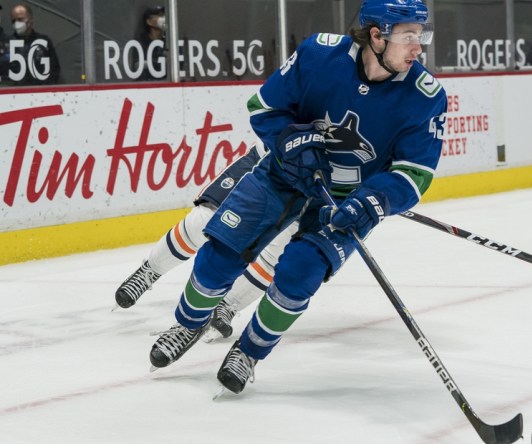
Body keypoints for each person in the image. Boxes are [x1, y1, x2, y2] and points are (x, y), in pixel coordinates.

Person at [146, 0, 447, 396]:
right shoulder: (319, 54)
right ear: (377, 34)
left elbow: (414, 175)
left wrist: (372, 202)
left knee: (299, 275)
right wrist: (289, 140)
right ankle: (187, 324)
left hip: (344, 205)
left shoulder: (425, 96)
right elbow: (265, 108)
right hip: (282, 177)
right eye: (409, 36)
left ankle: (249, 352)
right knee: (221, 252)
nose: (418, 47)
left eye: (420, 35)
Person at [114, 145, 298, 341]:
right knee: (205, 219)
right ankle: (151, 269)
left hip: (310, 191)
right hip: (269, 159)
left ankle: (226, 305)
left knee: (278, 254)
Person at [8, 3, 59, 85]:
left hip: (41, 93)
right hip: (15, 94)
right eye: (14, 21)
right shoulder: (9, 44)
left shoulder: (44, 42)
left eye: (20, 19)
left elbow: (54, 69)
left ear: (30, 19)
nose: (16, 23)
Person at [135, 5, 167, 81]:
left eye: (164, 15)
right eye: (159, 16)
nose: (164, 18)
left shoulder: (169, 42)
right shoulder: (140, 43)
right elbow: (138, 66)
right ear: (149, 22)